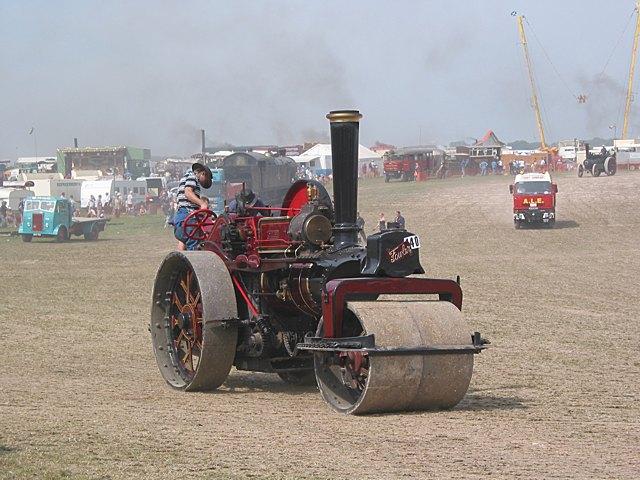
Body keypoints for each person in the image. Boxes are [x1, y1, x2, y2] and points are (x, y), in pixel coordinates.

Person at [173, 162, 213, 251]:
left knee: (189, 240)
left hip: (182, 216)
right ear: (203, 173)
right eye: (206, 179)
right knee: (194, 244)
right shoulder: (193, 176)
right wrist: (202, 203)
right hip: (187, 215)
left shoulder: (187, 177)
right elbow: (188, 192)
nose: (205, 182)